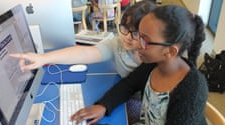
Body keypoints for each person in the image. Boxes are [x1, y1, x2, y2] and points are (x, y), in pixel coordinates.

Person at [69, 5, 212, 125]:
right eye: (139, 35)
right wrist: (104, 105)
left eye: (145, 40)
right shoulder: (153, 64)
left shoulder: (193, 89)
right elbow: (129, 84)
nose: (137, 44)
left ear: (170, 51)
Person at [10, 0, 156, 78]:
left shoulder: (153, 55)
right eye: (124, 29)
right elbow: (84, 53)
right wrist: (43, 58)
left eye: (136, 34)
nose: (128, 38)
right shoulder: (117, 44)